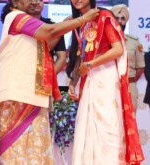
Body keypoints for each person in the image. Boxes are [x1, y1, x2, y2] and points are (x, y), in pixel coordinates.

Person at [0, 0, 99, 164]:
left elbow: (49, 42)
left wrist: (66, 23)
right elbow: (49, 31)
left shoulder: (29, 25)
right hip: (16, 93)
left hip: (31, 93)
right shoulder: (16, 17)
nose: (34, 1)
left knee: (37, 149)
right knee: (15, 150)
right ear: (14, 2)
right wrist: (82, 19)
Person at [66, 0, 144, 164]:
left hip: (106, 78)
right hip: (89, 79)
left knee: (107, 125)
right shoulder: (83, 23)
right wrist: (73, 82)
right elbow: (82, 57)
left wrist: (90, 65)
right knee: (87, 127)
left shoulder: (104, 16)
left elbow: (118, 49)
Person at [110, 4, 145, 112]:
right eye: (116, 18)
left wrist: (128, 80)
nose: (120, 21)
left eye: (123, 19)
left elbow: (140, 68)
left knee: (130, 121)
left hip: (130, 87)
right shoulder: (104, 42)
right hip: (109, 86)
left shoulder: (134, 42)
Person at [28, 0, 66, 74]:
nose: (37, 2)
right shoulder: (20, 24)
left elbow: (62, 58)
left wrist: (49, 77)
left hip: (45, 75)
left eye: (40, 0)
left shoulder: (53, 26)